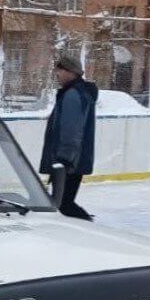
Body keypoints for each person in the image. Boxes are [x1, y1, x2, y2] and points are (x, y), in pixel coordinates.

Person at [39, 54, 98, 220]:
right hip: (72, 160)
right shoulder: (76, 93)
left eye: (60, 70)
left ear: (71, 72)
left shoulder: (73, 94)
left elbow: (71, 130)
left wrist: (63, 160)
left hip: (69, 162)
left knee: (63, 205)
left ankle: (88, 227)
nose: (57, 74)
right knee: (63, 204)